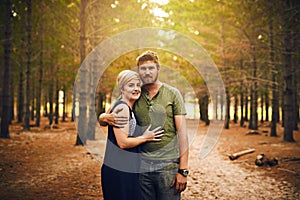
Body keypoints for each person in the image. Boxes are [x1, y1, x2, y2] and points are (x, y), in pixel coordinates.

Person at [99, 50, 189, 200]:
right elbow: (109, 113)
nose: (147, 72)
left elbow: (183, 134)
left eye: (151, 68)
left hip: (167, 167)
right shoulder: (135, 94)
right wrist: (103, 117)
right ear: (139, 71)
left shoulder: (173, 94)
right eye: (143, 68)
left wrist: (183, 170)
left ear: (158, 69)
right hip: (140, 168)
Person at [101, 69, 164, 200]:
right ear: (122, 89)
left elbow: (105, 117)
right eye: (131, 85)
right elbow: (123, 143)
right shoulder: (122, 107)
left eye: (137, 85)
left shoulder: (125, 106)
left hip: (126, 168)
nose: (136, 89)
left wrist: (102, 117)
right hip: (119, 171)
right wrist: (145, 138)